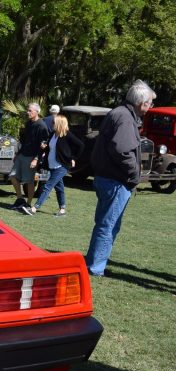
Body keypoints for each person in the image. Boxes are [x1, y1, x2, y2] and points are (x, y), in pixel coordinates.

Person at [84, 79, 156, 277]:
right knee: (107, 226)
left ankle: (94, 263)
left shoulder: (120, 113)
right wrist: (134, 174)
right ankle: (95, 267)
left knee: (106, 224)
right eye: (150, 102)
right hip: (115, 181)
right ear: (141, 103)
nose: (150, 107)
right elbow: (122, 150)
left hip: (109, 179)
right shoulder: (124, 117)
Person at [22, 114, 83, 216]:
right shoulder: (52, 134)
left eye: (54, 122)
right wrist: (43, 146)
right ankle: (62, 210)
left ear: (59, 123)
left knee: (47, 186)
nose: (52, 123)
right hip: (51, 165)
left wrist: (73, 158)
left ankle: (34, 208)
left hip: (62, 166)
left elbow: (81, 145)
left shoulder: (67, 135)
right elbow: (48, 148)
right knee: (59, 188)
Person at [10, 102, 49, 210]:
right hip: (22, 154)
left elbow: (44, 145)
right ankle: (20, 199)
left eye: (30, 111)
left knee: (29, 181)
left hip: (32, 157)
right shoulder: (28, 123)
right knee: (13, 176)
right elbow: (24, 141)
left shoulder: (42, 126)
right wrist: (17, 154)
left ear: (37, 112)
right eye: (27, 110)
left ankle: (28, 203)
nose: (28, 112)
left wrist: (36, 159)